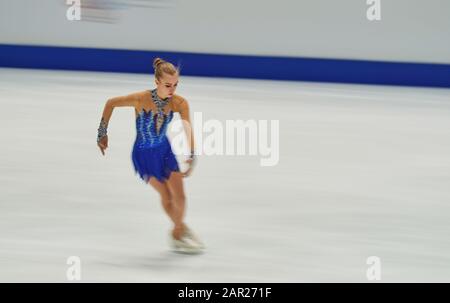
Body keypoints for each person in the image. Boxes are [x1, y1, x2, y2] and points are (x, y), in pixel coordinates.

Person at [96, 57, 204, 253]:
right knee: (166, 194)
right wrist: (102, 133)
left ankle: (177, 230)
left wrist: (192, 153)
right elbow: (110, 103)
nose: (172, 90)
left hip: (165, 151)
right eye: (167, 85)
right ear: (156, 82)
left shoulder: (179, 103)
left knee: (180, 197)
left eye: (176, 85)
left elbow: (187, 127)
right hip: (144, 155)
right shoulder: (141, 98)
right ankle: (179, 232)